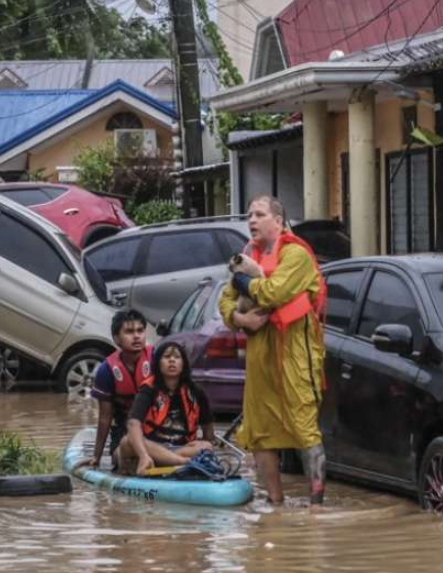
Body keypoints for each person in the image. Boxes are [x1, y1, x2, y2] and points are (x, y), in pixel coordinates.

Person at [218, 195, 327, 505]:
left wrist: (243, 281)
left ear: (278, 221)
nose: (252, 220)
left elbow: (273, 293)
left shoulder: (296, 255)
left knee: (305, 428)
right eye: (249, 215)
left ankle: (316, 507)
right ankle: (275, 503)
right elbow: (224, 301)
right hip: (259, 357)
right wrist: (241, 319)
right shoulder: (249, 255)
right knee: (260, 431)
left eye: (259, 214)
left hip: (294, 354)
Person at [117, 341, 216, 476]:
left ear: (184, 364)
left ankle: (167, 460)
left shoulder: (196, 392)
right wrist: (143, 455)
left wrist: (207, 451)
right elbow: (133, 423)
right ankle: (184, 463)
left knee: (206, 447)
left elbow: (208, 433)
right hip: (151, 448)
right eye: (167, 357)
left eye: (177, 357)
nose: (172, 360)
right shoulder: (148, 389)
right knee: (127, 442)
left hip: (181, 449)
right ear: (158, 363)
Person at [85, 309, 152, 469]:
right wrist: (96, 456)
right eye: (129, 332)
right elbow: (105, 418)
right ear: (116, 339)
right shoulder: (106, 370)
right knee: (121, 455)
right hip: (124, 431)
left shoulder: (157, 359)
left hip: (156, 428)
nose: (136, 336)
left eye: (140, 331)